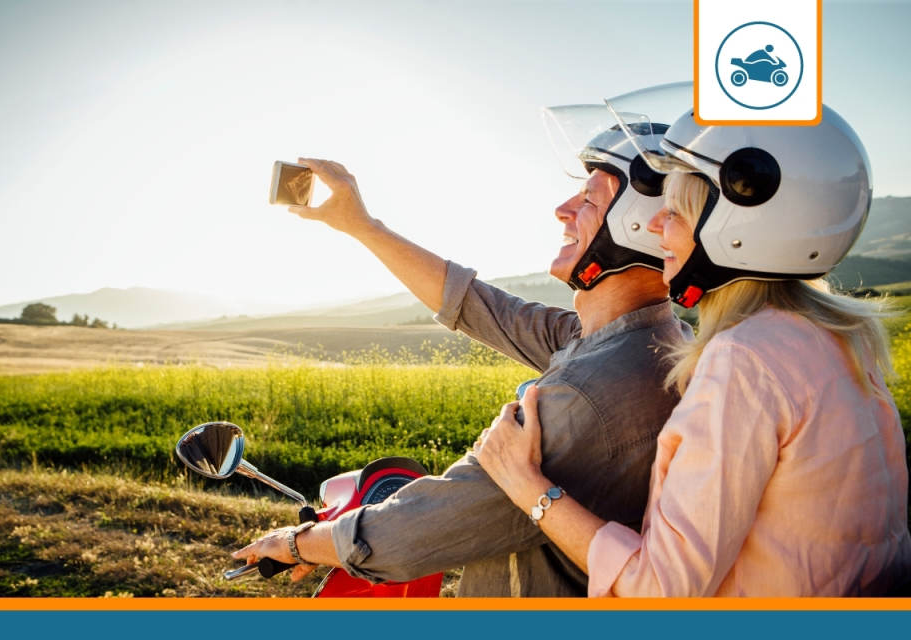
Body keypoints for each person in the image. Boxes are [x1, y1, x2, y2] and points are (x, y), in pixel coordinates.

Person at [232, 118, 692, 596]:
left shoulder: (590, 391)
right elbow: (478, 307)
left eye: (590, 200)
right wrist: (361, 225)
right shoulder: (644, 340)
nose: (563, 210)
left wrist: (296, 542)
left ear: (640, 227)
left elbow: (411, 534)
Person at [474, 105, 911, 596]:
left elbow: (661, 590)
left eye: (679, 209)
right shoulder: (836, 337)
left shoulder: (745, 359)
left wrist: (526, 485)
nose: (658, 225)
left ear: (740, 231)